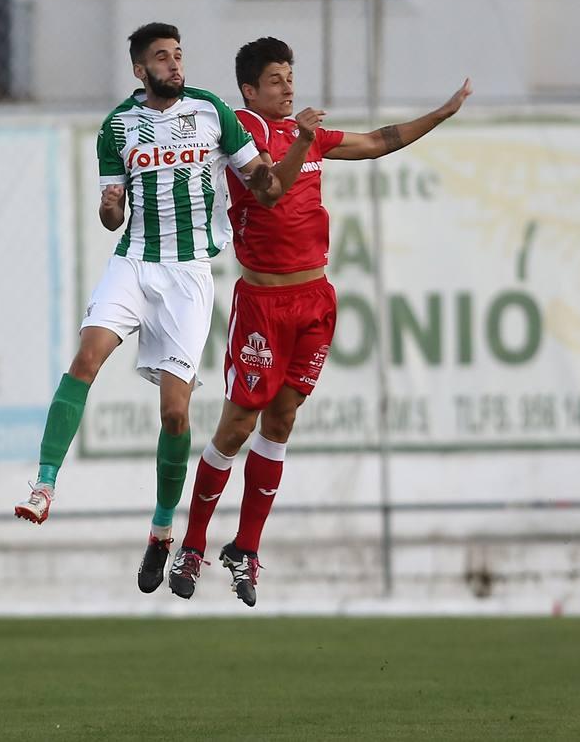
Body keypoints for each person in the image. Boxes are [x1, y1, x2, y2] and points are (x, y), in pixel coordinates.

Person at [165, 36, 471, 606]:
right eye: (276, 78)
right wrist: (301, 139)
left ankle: (246, 549)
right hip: (262, 305)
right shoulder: (239, 131)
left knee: (280, 422)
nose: (288, 85)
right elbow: (271, 194)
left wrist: (442, 113)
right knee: (237, 424)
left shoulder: (309, 137)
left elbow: (379, 141)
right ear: (250, 89)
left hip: (314, 302)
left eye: (290, 75)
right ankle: (194, 543)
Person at [13, 23, 313, 596]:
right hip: (133, 262)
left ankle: (159, 532)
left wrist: (294, 150)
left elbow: (266, 187)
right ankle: (44, 483)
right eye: (162, 58)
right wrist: (110, 203)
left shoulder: (212, 112)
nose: (175, 65)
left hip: (187, 276)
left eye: (178, 55)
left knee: (175, 415)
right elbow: (111, 217)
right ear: (139, 70)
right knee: (86, 360)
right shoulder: (117, 127)